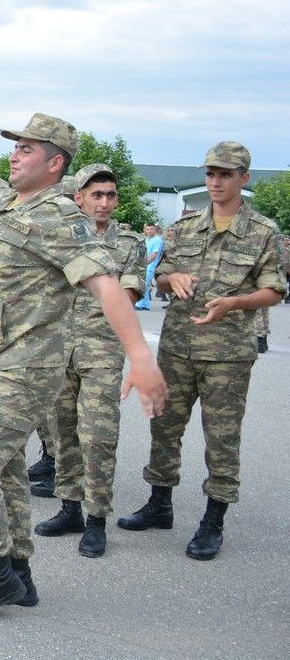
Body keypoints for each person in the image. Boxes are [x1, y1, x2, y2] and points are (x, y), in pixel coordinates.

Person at [0, 112, 167, 620]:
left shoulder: (58, 217)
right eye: (15, 146)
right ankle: (20, 573)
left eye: (27, 148)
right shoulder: (9, 201)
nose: (14, 154)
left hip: (20, 369)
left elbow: (105, 283)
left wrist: (140, 356)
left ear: (54, 163)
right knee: (4, 471)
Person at [118, 141, 284, 561]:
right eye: (210, 173)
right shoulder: (184, 228)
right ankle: (160, 504)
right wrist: (170, 280)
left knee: (222, 438)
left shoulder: (264, 232)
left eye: (225, 174)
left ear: (244, 179)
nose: (215, 182)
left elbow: (274, 290)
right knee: (164, 425)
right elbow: (162, 277)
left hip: (227, 355)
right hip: (177, 347)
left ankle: (214, 520)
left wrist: (234, 303)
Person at [33, 164, 145, 558]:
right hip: (57, 350)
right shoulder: (59, 239)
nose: (104, 202)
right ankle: (70, 508)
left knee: (97, 437)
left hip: (100, 352)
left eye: (110, 195)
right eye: (95, 195)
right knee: (62, 432)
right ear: (77, 198)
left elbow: (128, 294)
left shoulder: (129, 243)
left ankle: (96, 519)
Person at [135, 224, 164, 311]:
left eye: (151, 229)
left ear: (155, 229)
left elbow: (154, 255)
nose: (149, 231)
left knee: (143, 284)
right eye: (147, 229)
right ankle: (146, 304)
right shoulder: (146, 239)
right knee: (145, 284)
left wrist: (145, 263)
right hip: (144, 265)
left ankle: (139, 304)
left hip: (150, 266)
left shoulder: (158, 240)